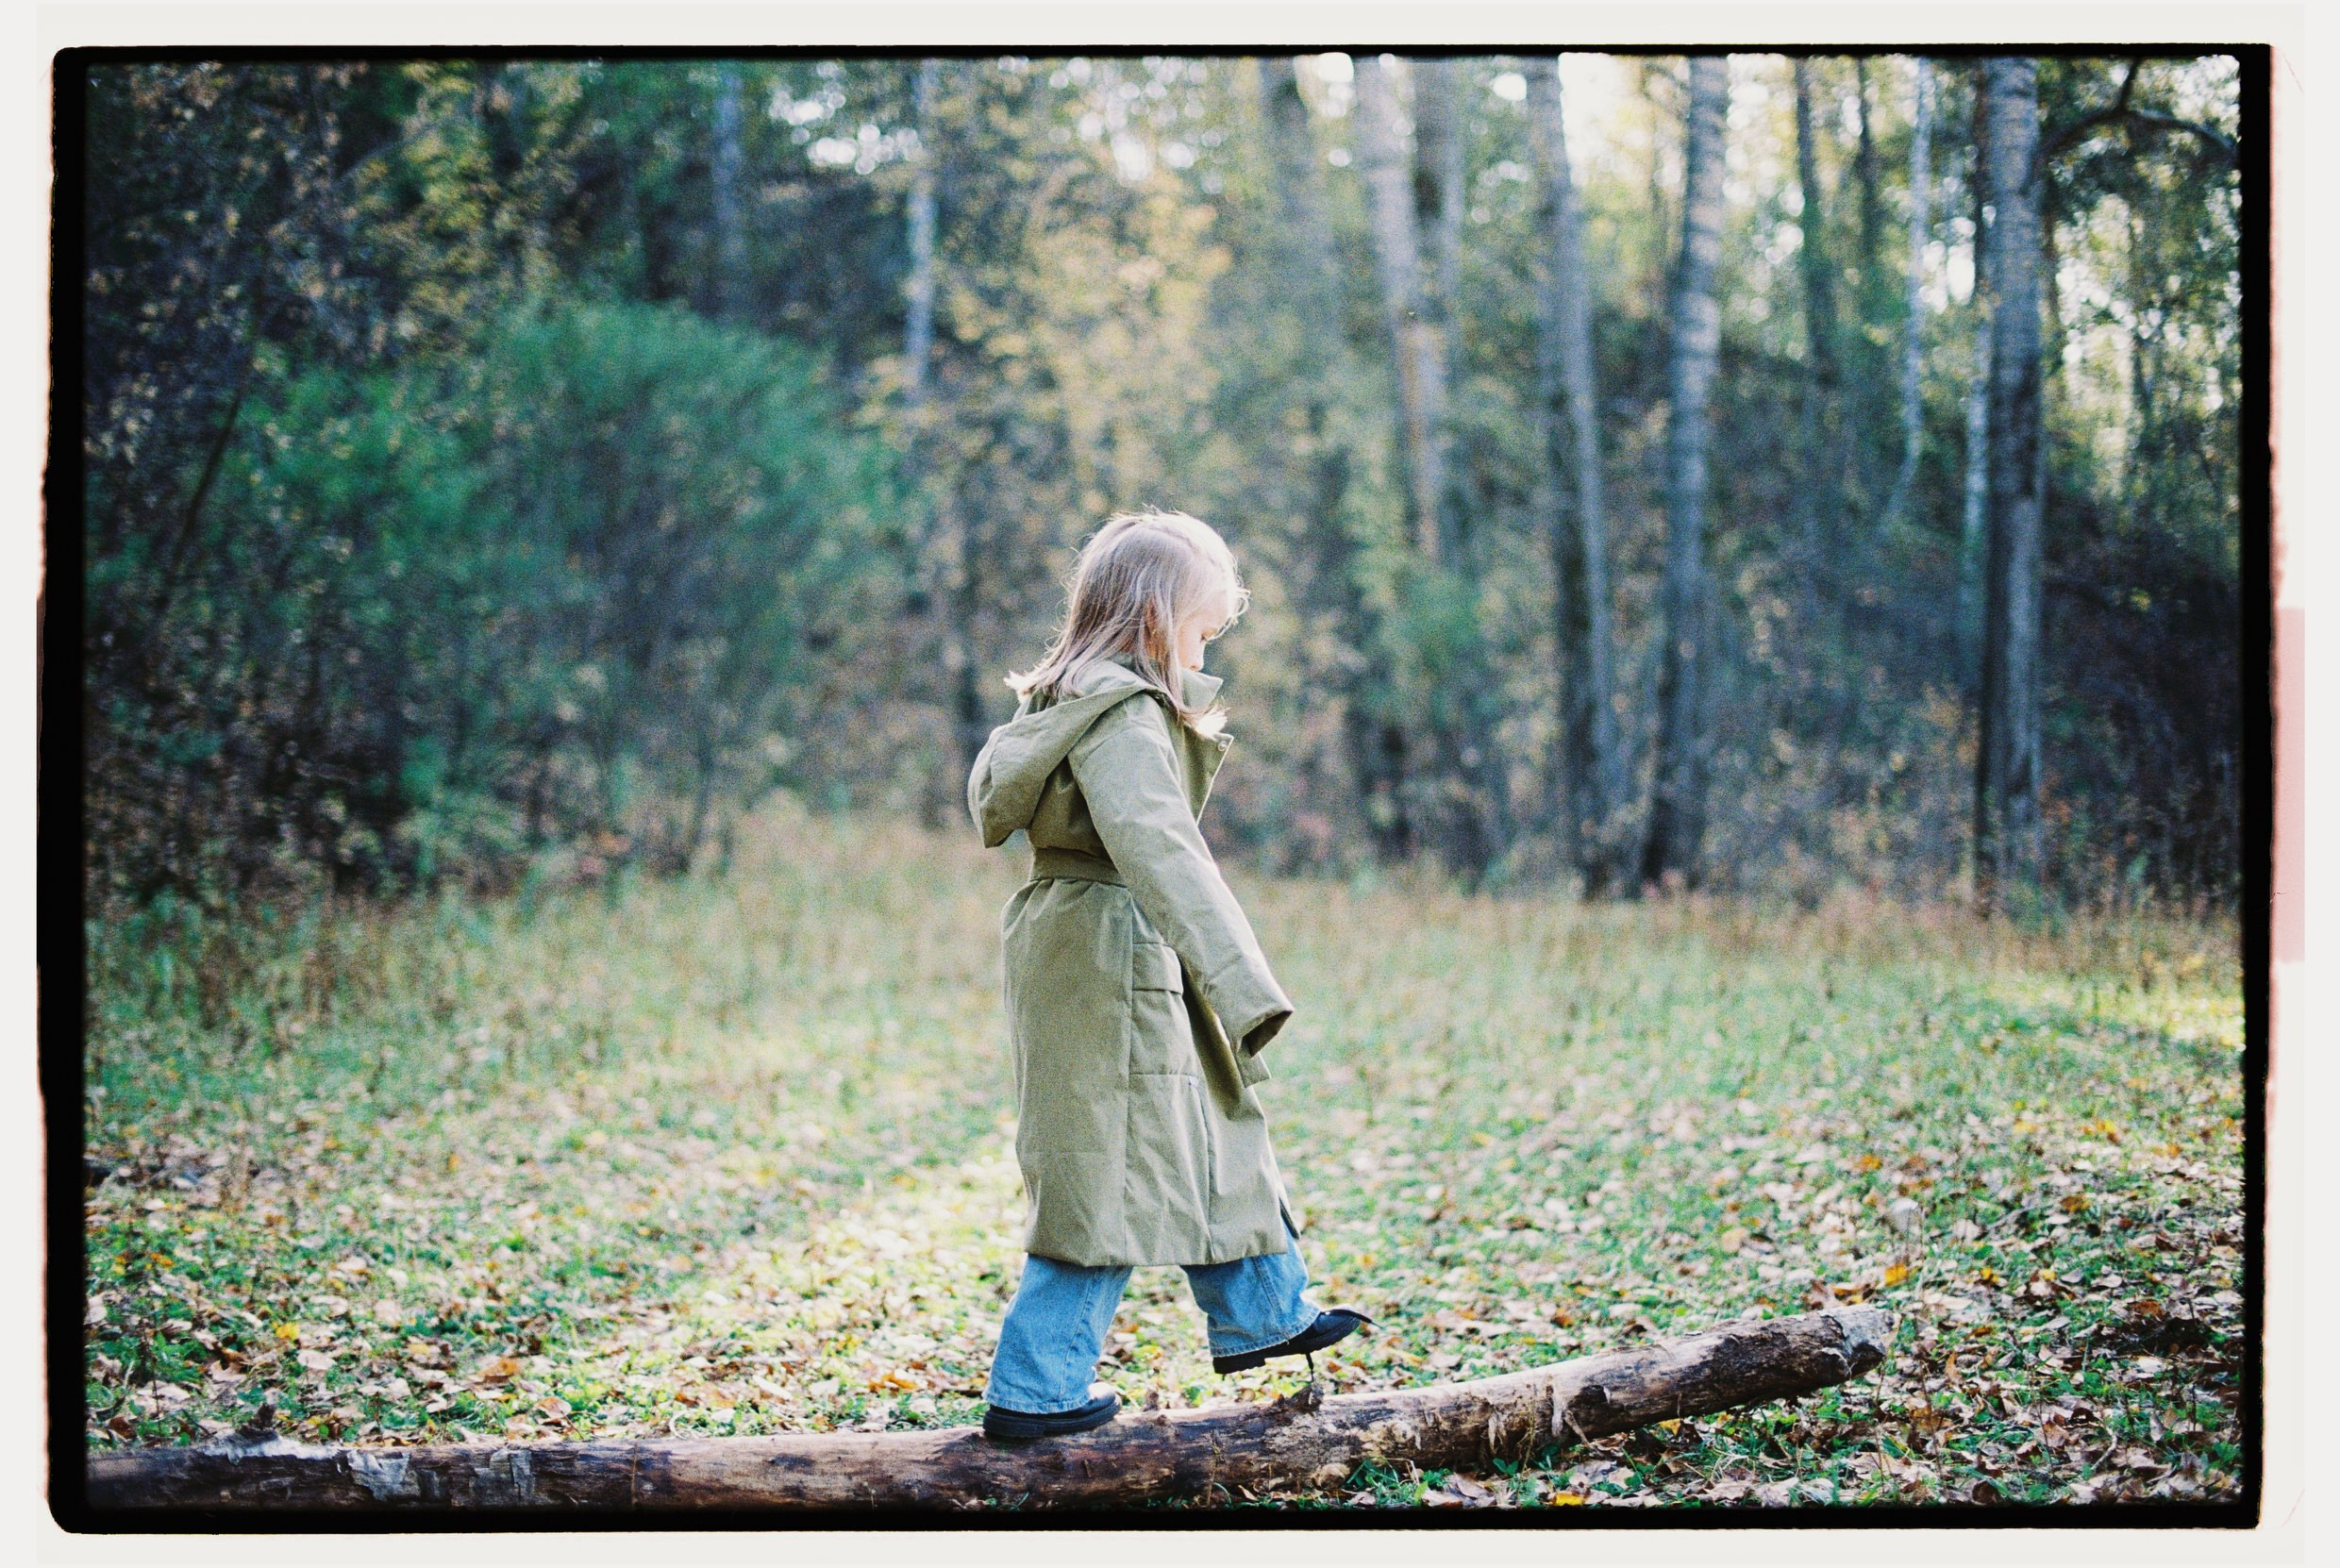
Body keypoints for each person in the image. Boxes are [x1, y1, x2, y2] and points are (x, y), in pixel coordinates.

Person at [964, 508, 1371, 1442]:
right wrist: (1242, 980)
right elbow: (1160, 845)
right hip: (1116, 942)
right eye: (1198, 629)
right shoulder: (1124, 713)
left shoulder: (1068, 698)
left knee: (1202, 1131)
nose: (1202, 648)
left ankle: (1264, 1309)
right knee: (1103, 1170)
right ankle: (1035, 1389)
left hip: (1085, 937)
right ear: (1153, 620)